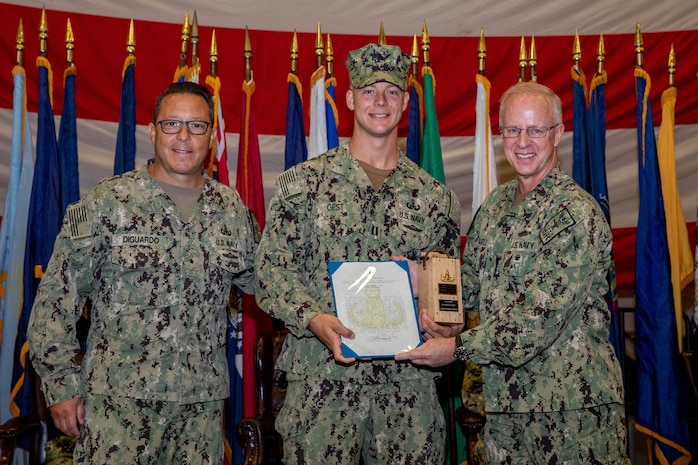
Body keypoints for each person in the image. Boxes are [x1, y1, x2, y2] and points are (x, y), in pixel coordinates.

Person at [28, 81, 259, 464]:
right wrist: (61, 385)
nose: (184, 136)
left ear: (211, 136)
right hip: (119, 409)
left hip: (200, 412)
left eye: (197, 126)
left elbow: (270, 281)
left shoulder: (231, 209)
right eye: (172, 124)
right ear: (152, 132)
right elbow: (55, 300)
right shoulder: (108, 202)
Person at [396, 82, 628, 464]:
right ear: (500, 133)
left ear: (558, 134)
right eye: (513, 130)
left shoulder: (575, 214)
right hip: (504, 407)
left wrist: (455, 348)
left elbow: (533, 322)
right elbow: (472, 281)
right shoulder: (496, 204)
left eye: (536, 129)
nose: (523, 141)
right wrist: (420, 281)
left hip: (570, 415)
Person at [254, 43, 461, 464]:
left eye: (391, 91)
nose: (380, 101)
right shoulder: (303, 185)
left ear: (405, 102)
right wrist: (314, 319)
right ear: (349, 99)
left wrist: (445, 325)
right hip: (323, 388)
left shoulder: (435, 198)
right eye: (368, 91)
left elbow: (450, 291)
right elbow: (270, 274)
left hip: (409, 392)